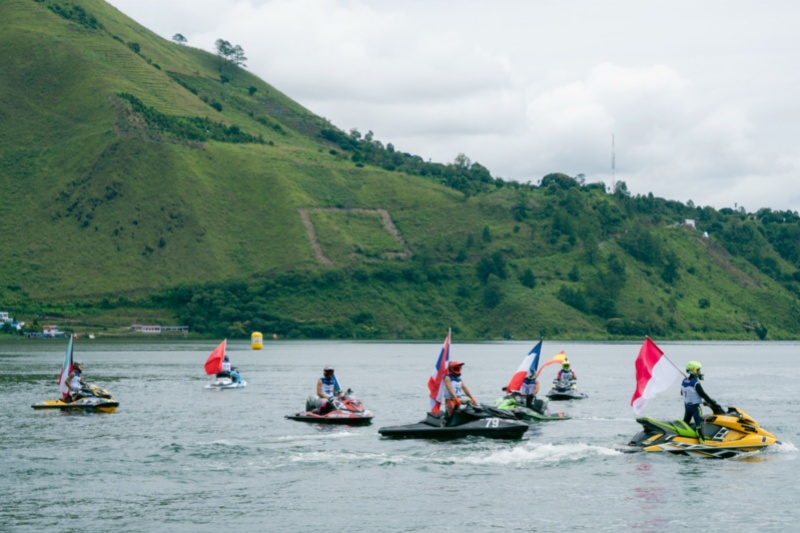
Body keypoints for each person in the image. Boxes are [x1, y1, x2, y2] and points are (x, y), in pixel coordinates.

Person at [681, 361, 721, 441]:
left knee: (685, 424)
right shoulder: (696, 383)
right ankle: (703, 444)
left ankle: (683, 439)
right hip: (695, 408)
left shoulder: (684, 381)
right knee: (699, 427)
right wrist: (715, 405)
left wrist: (698, 399)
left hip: (687, 406)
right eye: (698, 370)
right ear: (693, 370)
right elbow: (704, 395)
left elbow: (682, 393)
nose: (700, 372)